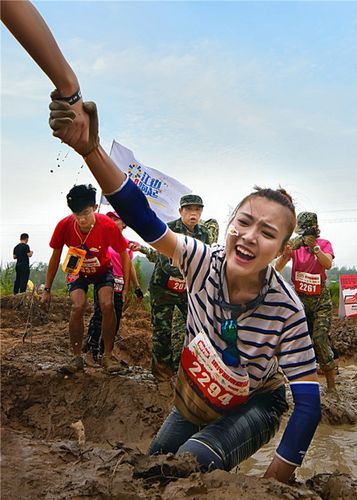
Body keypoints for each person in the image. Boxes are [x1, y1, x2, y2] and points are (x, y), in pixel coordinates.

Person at [2, 4, 321, 482]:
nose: (249, 236)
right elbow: (141, 216)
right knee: (151, 466)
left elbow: (308, 403)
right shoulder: (201, 261)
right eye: (244, 222)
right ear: (228, 223)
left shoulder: (285, 307)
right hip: (197, 392)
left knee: (187, 465)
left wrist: (278, 480)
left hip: (256, 400)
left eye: (267, 233)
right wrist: (91, 150)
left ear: (280, 250)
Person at [42, 184, 130, 374]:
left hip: (102, 270)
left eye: (86, 213)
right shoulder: (64, 226)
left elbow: (124, 255)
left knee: (107, 305)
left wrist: (126, 287)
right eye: (76, 214)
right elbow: (55, 257)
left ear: (95, 208)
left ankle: (107, 356)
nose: (81, 219)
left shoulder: (107, 226)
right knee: (78, 306)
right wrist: (47, 289)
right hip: (78, 271)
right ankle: (76, 357)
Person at [145, 195, 210, 380]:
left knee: (197, 327)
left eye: (197, 210)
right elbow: (167, 263)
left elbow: (205, 258)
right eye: (189, 209)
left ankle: (184, 369)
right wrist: (192, 269)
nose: (193, 214)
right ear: (181, 211)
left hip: (188, 290)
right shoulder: (169, 229)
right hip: (163, 287)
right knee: (162, 330)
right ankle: (161, 373)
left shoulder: (204, 233)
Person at [275, 212, 337, 392]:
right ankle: (304, 384)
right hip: (300, 300)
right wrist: (286, 255)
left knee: (319, 339)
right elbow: (276, 269)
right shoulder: (295, 245)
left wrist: (315, 248)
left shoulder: (324, 244)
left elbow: (328, 264)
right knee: (301, 342)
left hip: (320, 301)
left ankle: (332, 386)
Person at [84, 211, 144, 364]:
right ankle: (92, 349)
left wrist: (135, 286)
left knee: (115, 318)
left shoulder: (128, 243)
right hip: (104, 282)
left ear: (124, 223)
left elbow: (129, 266)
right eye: (109, 218)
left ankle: (106, 353)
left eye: (116, 219)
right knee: (100, 314)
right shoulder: (102, 239)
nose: (112, 221)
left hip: (119, 284)